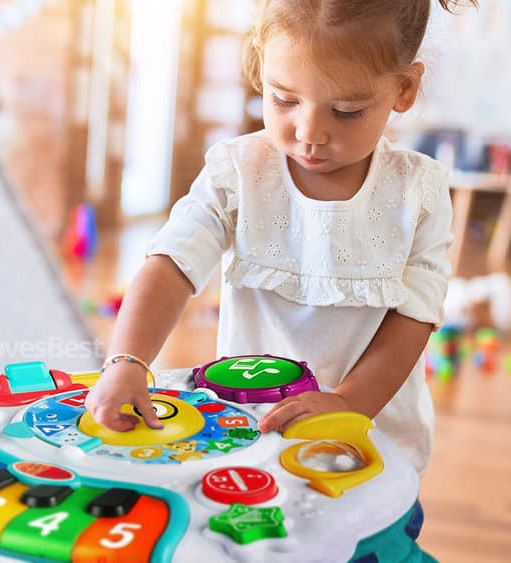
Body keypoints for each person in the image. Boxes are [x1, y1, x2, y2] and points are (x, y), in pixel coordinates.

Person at [85, 0, 475, 476]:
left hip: (367, 439)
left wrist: (346, 404)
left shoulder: (419, 191)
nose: (309, 132)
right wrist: (126, 361)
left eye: (347, 110)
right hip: (246, 429)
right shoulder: (238, 171)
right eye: (285, 100)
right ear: (261, 65)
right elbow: (170, 265)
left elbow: (413, 319)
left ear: (404, 88)